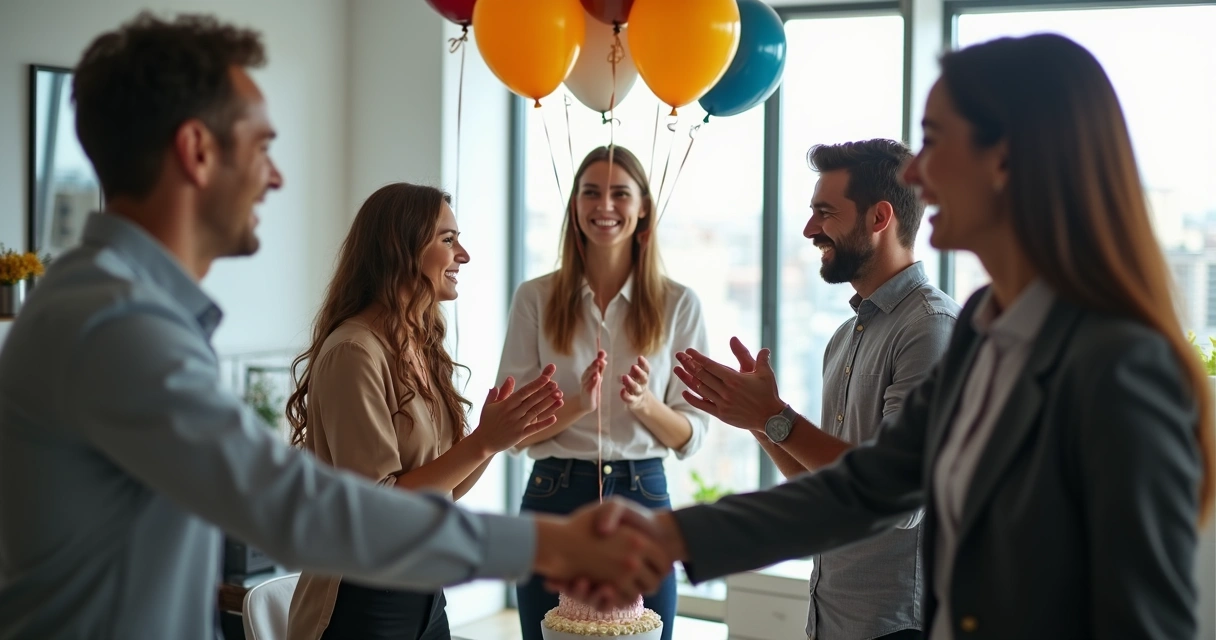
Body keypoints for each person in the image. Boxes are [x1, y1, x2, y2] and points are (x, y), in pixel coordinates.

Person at [0, 14, 670, 640]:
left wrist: (493, 447)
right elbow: (309, 506)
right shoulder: (118, 326)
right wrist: (552, 543)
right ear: (197, 151)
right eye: (262, 147)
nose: (276, 177)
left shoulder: (114, 306)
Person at [584, 33, 1215, 639]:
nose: (917, 171)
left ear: (1003, 160)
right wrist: (668, 537)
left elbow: (1142, 619)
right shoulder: (983, 329)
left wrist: (763, 429)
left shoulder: (1120, 362)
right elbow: (870, 487)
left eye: (933, 141)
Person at [285, 183, 555, 639]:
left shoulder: (420, 344)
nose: (463, 255)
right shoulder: (355, 352)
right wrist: (482, 442)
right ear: (401, 248)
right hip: (364, 599)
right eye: (448, 240)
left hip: (425, 592)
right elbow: (377, 508)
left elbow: (445, 490)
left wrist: (494, 441)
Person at [723, 139, 958, 640]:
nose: (809, 230)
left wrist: (776, 416)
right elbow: (825, 487)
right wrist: (760, 422)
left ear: (879, 217)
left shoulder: (931, 328)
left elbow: (899, 500)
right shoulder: (845, 336)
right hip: (831, 618)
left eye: (825, 213)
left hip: (898, 626)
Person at [497, 145, 708, 640]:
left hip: (644, 492)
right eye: (591, 193)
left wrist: (643, 403)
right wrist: (578, 405)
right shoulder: (535, 298)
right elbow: (512, 434)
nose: (604, 206)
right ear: (575, 206)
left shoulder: (679, 303)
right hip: (554, 491)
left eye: (620, 194)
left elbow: (691, 436)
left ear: (643, 208)